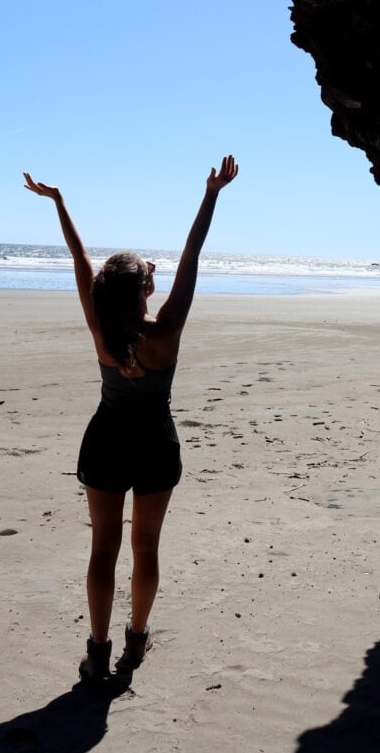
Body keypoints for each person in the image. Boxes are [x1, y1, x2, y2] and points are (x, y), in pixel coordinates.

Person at [23, 156, 238, 682]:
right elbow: (192, 256)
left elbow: (80, 260)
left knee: (104, 549)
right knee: (145, 549)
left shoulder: (102, 329)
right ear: (145, 288)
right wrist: (211, 195)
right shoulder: (164, 333)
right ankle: (135, 640)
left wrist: (60, 203)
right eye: (150, 272)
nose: (157, 274)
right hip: (155, 445)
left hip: (106, 441)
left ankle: (97, 649)